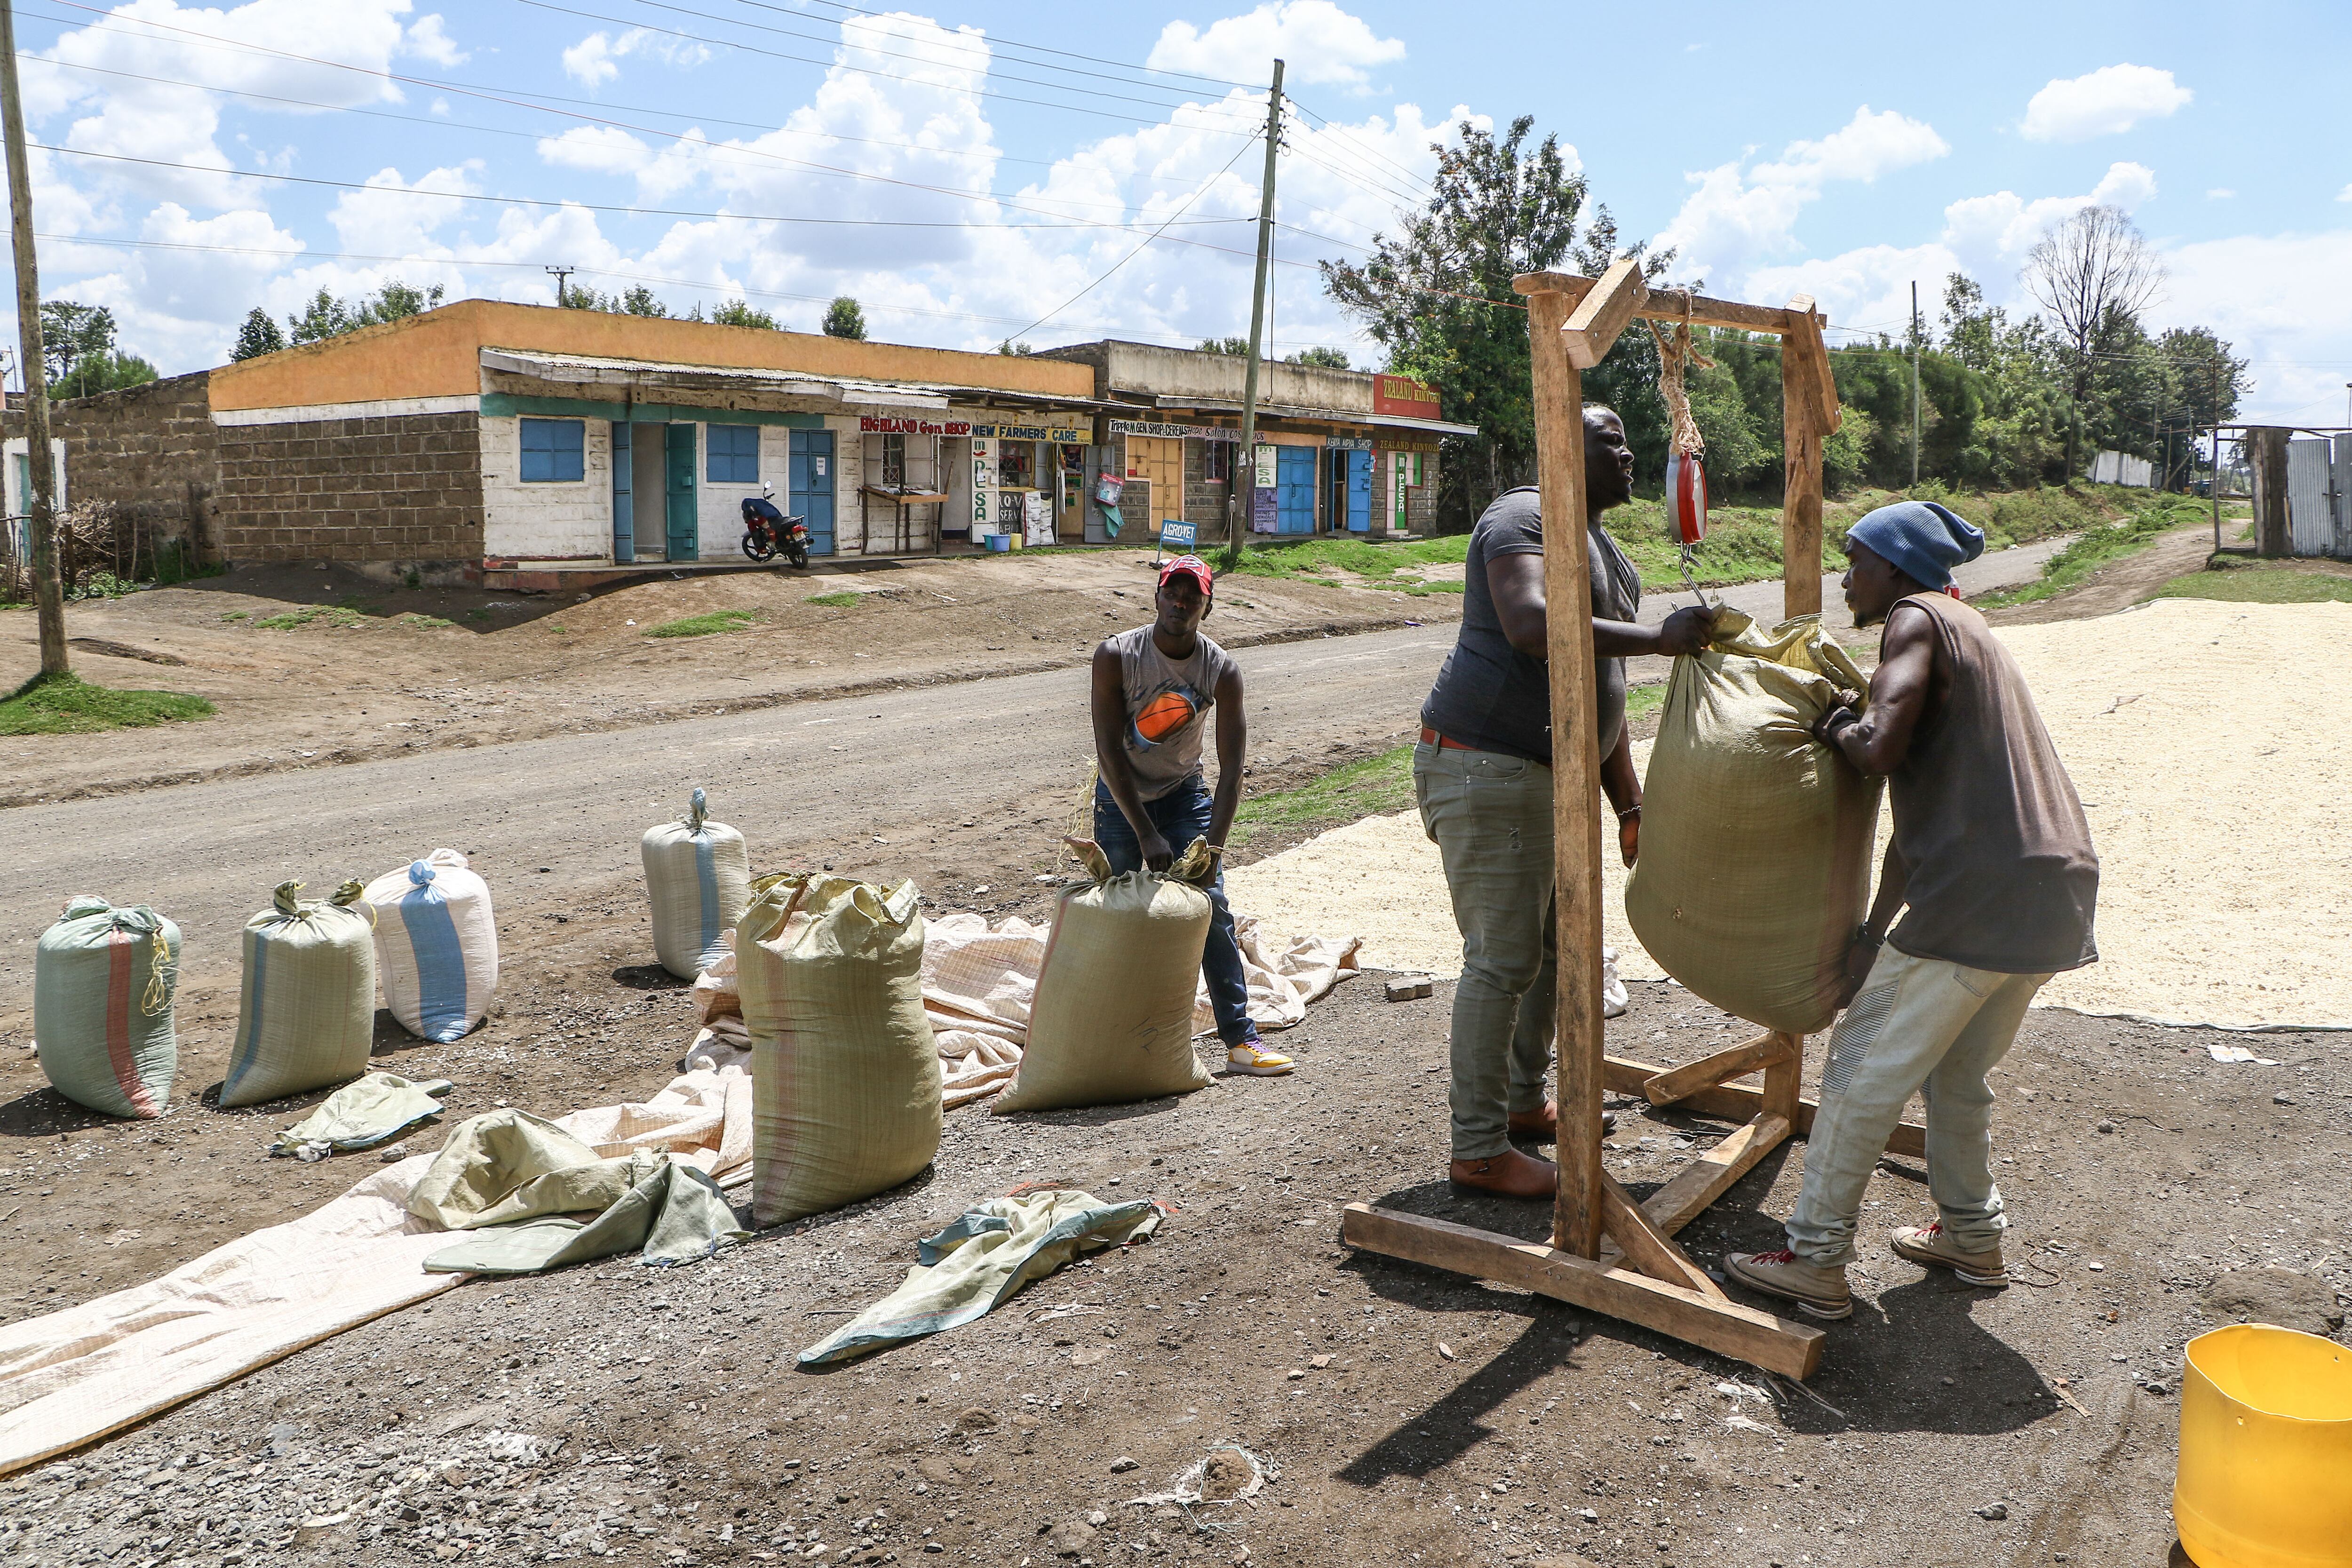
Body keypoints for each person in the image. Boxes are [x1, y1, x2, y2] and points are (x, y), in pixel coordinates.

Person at [1726, 500, 2099, 1319]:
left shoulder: (1916, 618)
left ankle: (1814, 1257)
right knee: (1955, 1072)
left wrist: (1832, 725)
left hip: (1980, 892)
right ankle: (1973, 1233)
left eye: (1854, 560)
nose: (1845, 577)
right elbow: (1914, 827)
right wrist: (1872, 934)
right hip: (2055, 886)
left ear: (1895, 569)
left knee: (1862, 1068)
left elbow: (1879, 744)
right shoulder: (1975, 633)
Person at [1415, 406, 1718, 1199]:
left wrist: (1629, 802)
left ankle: (1518, 1105)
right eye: (1607, 441)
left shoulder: (1606, 549)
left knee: (1552, 956)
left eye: (1626, 439)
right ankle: (1477, 1148)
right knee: (1504, 958)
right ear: (1559, 445)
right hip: (1487, 765)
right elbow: (1528, 625)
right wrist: (1657, 638)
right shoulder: (1522, 517)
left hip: (1545, 775)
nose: (1626, 453)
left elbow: (1596, 690)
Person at [1089, 554, 1294, 1077]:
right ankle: (1117, 1037)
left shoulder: (1220, 669)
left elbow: (1231, 772)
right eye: (1172, 592)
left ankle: (1240, 1040)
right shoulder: (1116, 655)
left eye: (1192, 596)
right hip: (1122, 796)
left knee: (1212, 907)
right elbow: (1110, 753)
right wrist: (1144, 832)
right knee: (1121, 911)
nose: (1180, 603)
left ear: (1207, 605)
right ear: (1156, 596)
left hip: (1184, 794)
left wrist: (1213, 850)